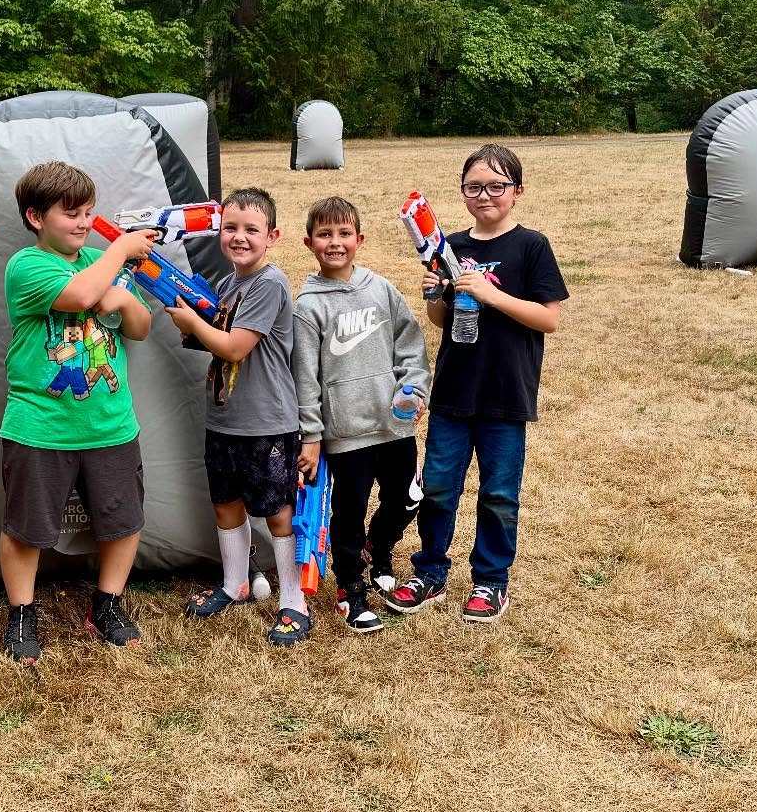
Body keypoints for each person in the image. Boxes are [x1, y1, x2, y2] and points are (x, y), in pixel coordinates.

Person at [385, 145, 567, 624]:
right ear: (462, 191)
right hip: (453, 392)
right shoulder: (451, 247)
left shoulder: (531, 246)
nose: (484, 195)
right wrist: (435, 296)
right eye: (473, 186)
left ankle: (491, 581)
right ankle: (429, 572)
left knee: (499, 493)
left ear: (517, 191)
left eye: (496, 186)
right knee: (440, 486)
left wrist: (491, 293)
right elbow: (442, 320)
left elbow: (548, 319)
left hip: (506, 394)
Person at [0, 161, 157, 664]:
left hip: (111, 422)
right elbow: (83, 294)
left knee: (124, 520)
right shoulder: (26, 266)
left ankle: (107, 604)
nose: (84, 223)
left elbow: (140, 327)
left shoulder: (98, 259)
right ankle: (21, 613)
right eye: (71, 214)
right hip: (40, 425)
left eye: (89, 212)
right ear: (35, 217)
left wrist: (121, 299)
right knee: (26, 528)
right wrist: (119, 254)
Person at [167, 188, 311, 646]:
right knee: (226, 505)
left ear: (273, 236)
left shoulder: (269, 283)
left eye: (252, 229)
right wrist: (187, 319)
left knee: (277, 513)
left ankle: (293, 599)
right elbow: (210, 340)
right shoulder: (230, 285)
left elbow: (233, 347)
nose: (240, 237)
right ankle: (236, 584)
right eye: (231, 228)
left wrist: (194, 325)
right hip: (224, 421)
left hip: (267, 424)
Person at [291, 196, 431, 634]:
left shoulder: (381, 289)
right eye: (325, 235)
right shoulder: (308, 306)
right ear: (309, 242)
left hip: (394, 424)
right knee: (348, 513)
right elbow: (306, 378)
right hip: (347, 432)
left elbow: (410, 344)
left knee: (408, 497)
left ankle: (380, 550)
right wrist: (311, 435)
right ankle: (351, 589)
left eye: (344, 234)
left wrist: (415, 387)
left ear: (359, 239)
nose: (335, 243)